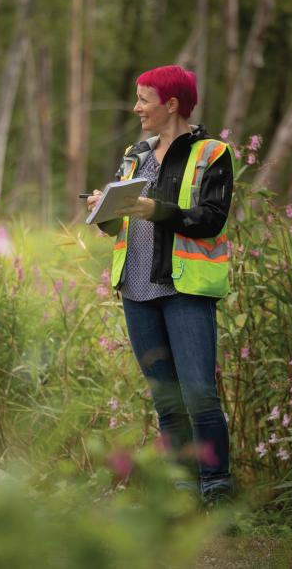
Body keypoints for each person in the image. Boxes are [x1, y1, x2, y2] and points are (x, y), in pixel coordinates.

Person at [87, 65, 235, 505]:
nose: (136, 107)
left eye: (144, 100)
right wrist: (103, 208)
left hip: (184, 289)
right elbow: (116, 226)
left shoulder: (212, 153)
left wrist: (155, 208)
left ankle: (217, 488)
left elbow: (211, 219)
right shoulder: (135, 154)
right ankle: (182, 490)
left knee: (199, 395)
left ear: (170, 104)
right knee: (167, 400)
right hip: (136, 289)